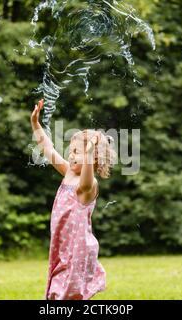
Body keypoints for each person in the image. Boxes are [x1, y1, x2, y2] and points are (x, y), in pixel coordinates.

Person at [30, 99, 116, 300]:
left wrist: (87, 153)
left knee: (68, 294)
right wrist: (36, 124)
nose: (71, 155)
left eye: (76, 152)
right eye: (72, 151)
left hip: (78, 250)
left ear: (92, 158)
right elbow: (48, 149)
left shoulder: (88, 185)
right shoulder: (68, 172)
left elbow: (86, 182)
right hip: (62, 246)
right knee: (56, 291)